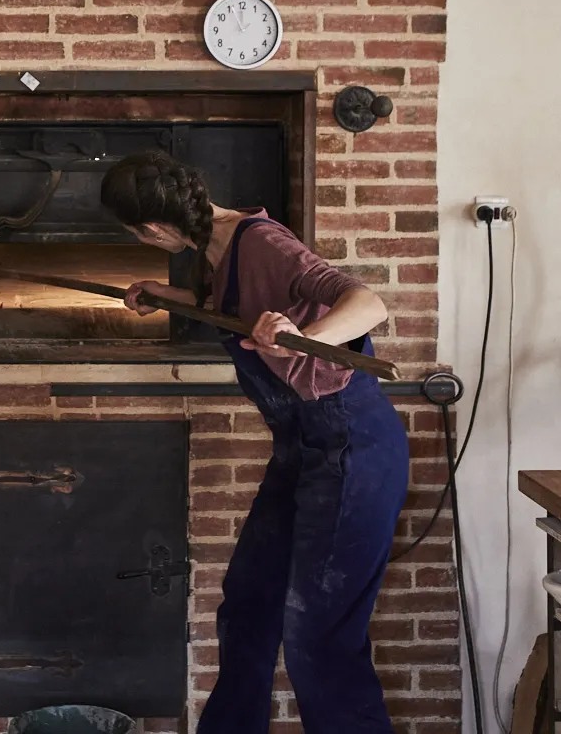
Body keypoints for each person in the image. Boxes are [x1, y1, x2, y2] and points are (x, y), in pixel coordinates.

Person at [100, 150, 409, 734]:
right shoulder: (209, 250)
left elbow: (367, 301)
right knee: (249, 605)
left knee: (320, 636)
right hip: (300, 450)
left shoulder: (262, 241)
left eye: (137, 238)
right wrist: (166, 297)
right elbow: (235, 309)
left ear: (154, 228)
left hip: (350, 447)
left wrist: (305, 337)